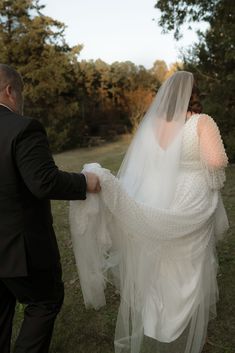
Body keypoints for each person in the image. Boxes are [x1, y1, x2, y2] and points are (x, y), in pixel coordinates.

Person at [70, 71, 229, 353]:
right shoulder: (201, 122)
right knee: (191, 264)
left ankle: (158, 321)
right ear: (195, 93)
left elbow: (148, 164)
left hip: (162, 196)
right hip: (193, 198)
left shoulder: (154, 124)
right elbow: (217, 161)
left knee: (162, 261)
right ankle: (186, 328)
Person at [0, 63, 101, 353]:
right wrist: (85, 183)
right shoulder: (23, 128)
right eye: (19, 94)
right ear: (10, 91)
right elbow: (43, 182)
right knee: (45, 301)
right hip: (22, 249)